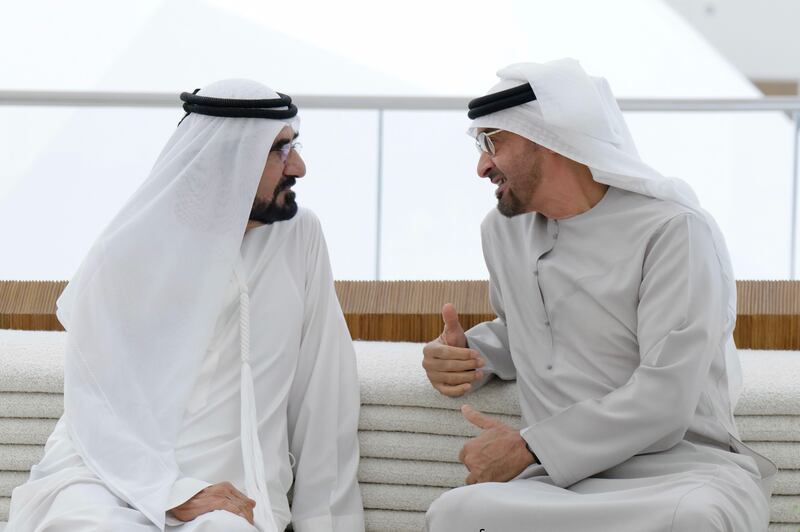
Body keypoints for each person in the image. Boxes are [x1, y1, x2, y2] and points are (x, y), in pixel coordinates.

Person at [422, 59, 776, 532]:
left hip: (679, 475)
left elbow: (665, 400)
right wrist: (471, 355)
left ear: (547, 139)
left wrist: (528, 446)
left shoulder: (672, 231)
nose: (482, 165)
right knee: (453, 515)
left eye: (493, 142)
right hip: (558, 483)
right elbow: (538, 325)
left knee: (696, 519)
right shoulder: (501, 233)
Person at [7, 79, 364, 532]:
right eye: (278, 151)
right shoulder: (130, 250)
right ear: (226, 160)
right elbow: (95, 405)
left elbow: (324, 395)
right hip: (107, 483)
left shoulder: (299, 239)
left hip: (232, 500)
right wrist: (173, 493)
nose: (299, 167)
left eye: (293, 146)